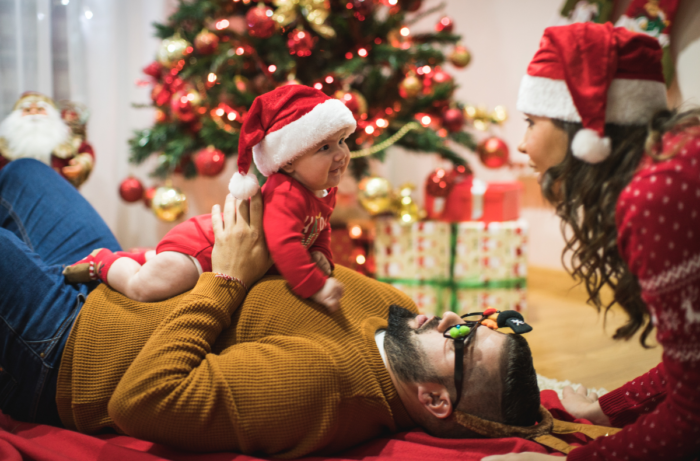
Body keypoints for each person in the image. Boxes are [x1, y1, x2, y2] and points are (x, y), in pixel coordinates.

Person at [0, 158, 541, 458]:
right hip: (123, 279)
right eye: (477, 321)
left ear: (436, 400)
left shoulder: (323, 387)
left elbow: (141, 401)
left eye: (463, 342)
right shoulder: (397, 309)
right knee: (25, 174)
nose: (452, 320)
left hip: (67, 348)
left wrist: (228, 277)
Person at [484, 22, 700, 461]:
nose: (522, 144)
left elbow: (693, 414)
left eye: (531, 121)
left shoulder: (654, 195)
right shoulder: (672, 160)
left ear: (585, 129)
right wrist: (608, 408)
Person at [63, 85, 354, 311]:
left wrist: (321, 253)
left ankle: (147, 255)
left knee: (159, 267)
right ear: (289, 160)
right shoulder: (286, 192)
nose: (341, 154)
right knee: (145, 288)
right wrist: (315, 286)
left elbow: (320, 227)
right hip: (203, 251)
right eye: (324, 148)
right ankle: (105, 262)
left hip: (226, 252)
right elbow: (284, 243)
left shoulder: (322, 190)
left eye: (341, 140)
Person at [0, 92, 94, 187]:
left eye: (40, 110)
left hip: (57, 191)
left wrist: (81, 165)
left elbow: (85, 150)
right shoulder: (4, 146)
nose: (33, 114)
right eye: (27, 110)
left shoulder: (65, 141)